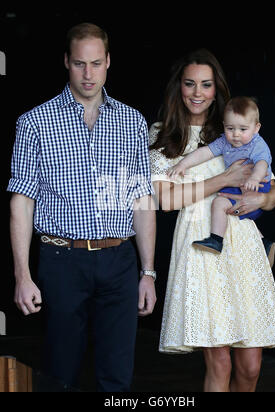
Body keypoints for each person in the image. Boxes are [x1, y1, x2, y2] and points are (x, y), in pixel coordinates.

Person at [8, 23, 157, 392]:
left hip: (120, 261)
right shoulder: (34, 122)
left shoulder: (132, 122)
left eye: (95, 63)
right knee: (59, 376)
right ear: (66, 62)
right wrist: (22, 276)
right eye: (79, 64)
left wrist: (148, 272)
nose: (88, 74)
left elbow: (141, 198)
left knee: (117, 380)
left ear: (108, 62)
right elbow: (22, 201)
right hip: (62, 261)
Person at [149, 49, 275, 392]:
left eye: (206, 85)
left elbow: (274, 191)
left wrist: (264, 198)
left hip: (241, 242)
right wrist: (223, 181)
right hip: (201, 244)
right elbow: (165, 199)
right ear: (178, 88)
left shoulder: (232, 129)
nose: (198, 92)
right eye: (190, 84)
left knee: (251, 366)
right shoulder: (162, 133)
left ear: (217, 89)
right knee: (221, 361)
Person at [167, 96, 275, 261]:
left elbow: (262, 163)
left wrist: (254, 178)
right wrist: (182, 164)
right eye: (230, 128)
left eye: (243, 129)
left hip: (258, 185)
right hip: (240, 185)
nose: (236, 135)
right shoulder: (225, 141)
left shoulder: (257, 144)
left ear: (256, 128)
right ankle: (263, 242)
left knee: (219, 203)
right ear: (224, 126)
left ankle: (216, 240)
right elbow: (204, 152)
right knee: (229, 205)